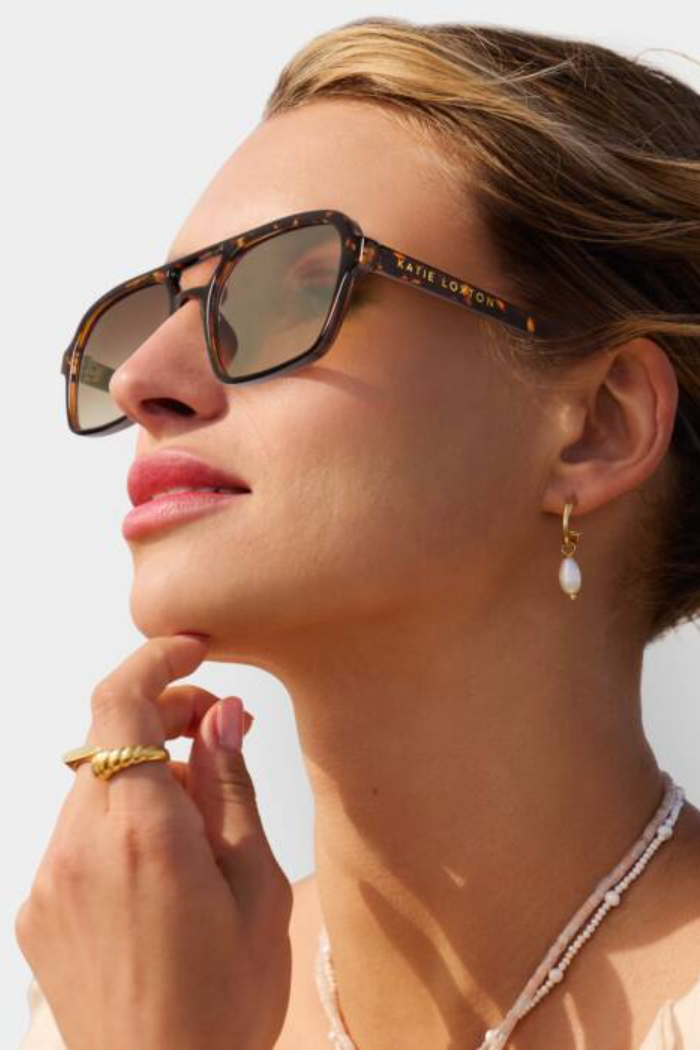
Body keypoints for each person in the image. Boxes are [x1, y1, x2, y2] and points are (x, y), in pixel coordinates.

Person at [16, 15, 700, 1049]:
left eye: (293, 292)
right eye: (155, 315)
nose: (146, 380)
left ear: (599, 424)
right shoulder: (115, 985)